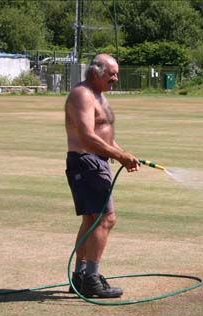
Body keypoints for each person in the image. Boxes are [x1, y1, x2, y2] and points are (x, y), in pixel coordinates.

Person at [64, 54, 140, 298]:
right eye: (112, 74)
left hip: (97, 161)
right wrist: (119, 157)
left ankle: (80, 277)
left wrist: (122, 153)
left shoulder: (99, 95)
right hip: (87, 162)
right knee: (105, 219)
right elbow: (87, 136)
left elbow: (104, 134)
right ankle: (91, 280)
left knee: (91, 221)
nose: (116, 79)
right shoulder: (82, 95)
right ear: (96, 72)